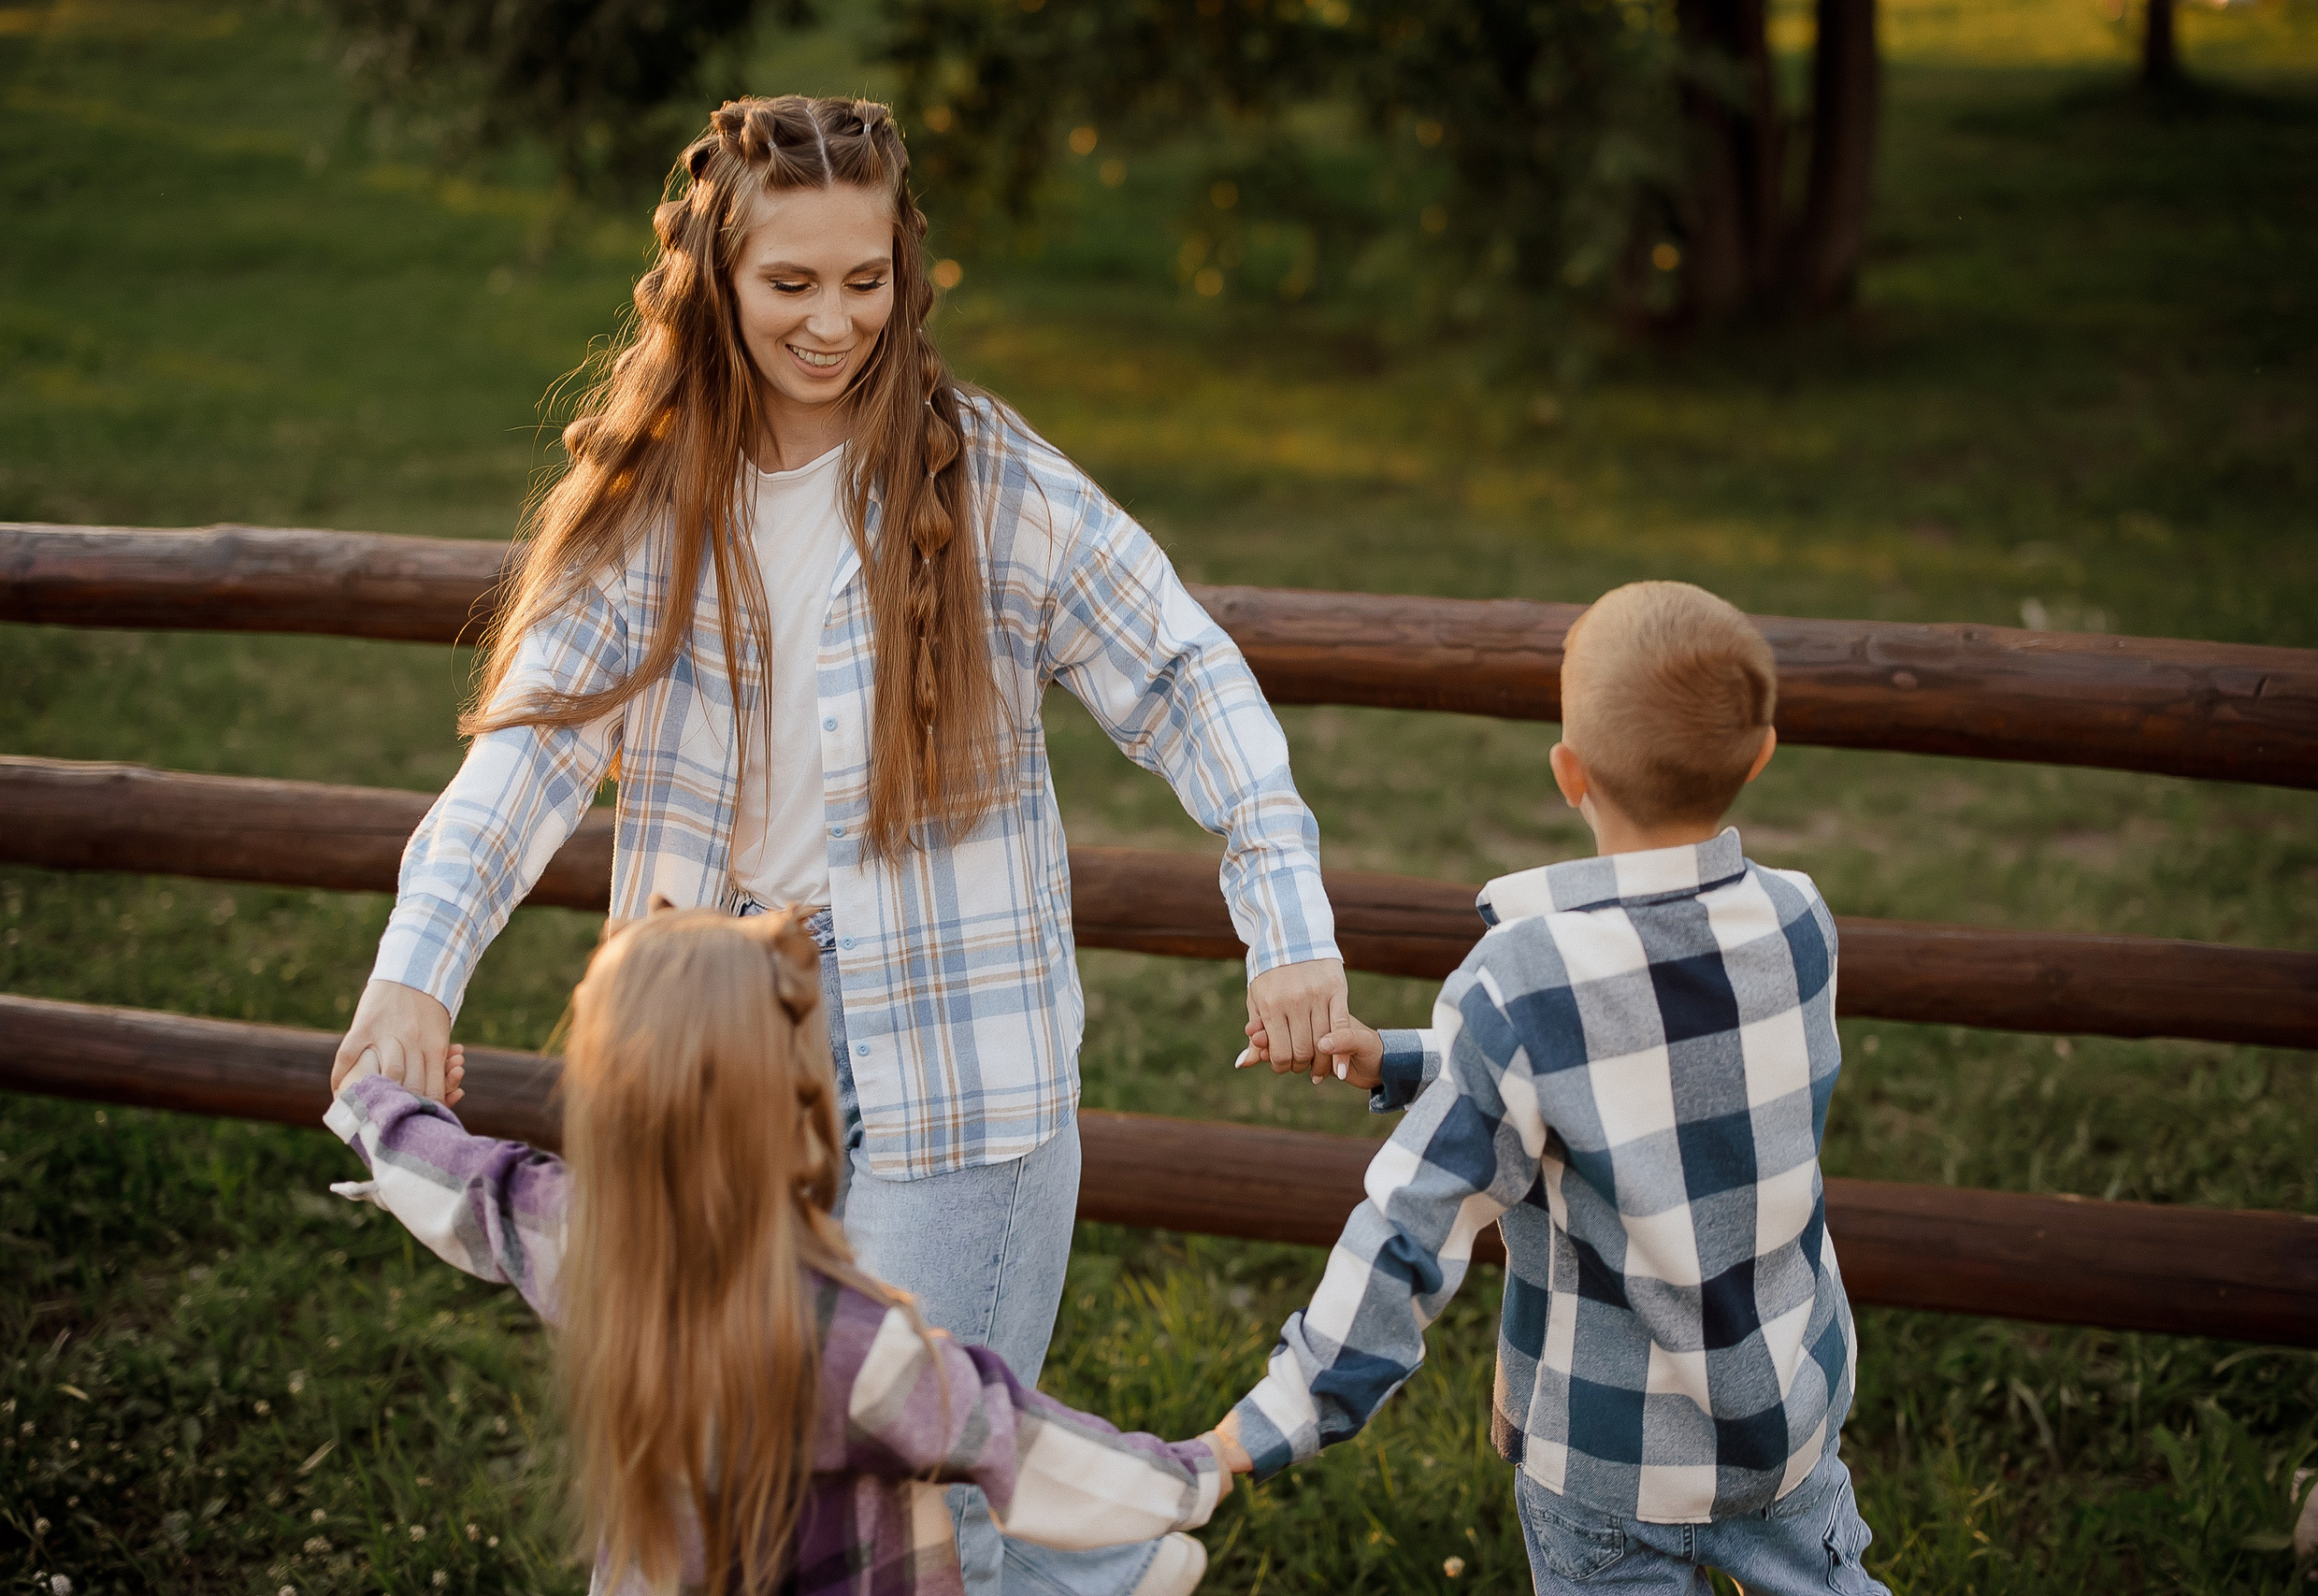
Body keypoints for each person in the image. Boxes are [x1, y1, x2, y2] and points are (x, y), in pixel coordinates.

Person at [329, 93, 1346, 1595]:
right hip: (714, 1051)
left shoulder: (990, 479)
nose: (833, 321)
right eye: (789, 283)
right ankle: (1117, 1575)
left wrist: (1292, 923)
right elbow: (529, 754)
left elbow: (1193, 678)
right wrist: (417, 968)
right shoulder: (649, 507)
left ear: (905, 270)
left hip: (959, 1060)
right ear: (714, 280)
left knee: (930, 1497)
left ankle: (1105, 1568)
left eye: (864, 280)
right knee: (703, 1478)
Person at [1216, 582, 1891, 1595]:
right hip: (1786, 1429)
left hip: (1603, 1464)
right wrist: (1407, 1060)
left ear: (1566, 772)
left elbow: (1410, 1231)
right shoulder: (1798, 921)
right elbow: (1635, 1065)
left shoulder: (1523, 983)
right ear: (1760, 756)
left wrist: (1266, 1424)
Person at [326, 905, 1232, 1596]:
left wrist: (376, 1103)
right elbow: (1015, 1443)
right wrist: (1203, 1470)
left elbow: (459, 1181)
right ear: (798, 1109)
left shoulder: (580, 1236)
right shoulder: (848, 1338)